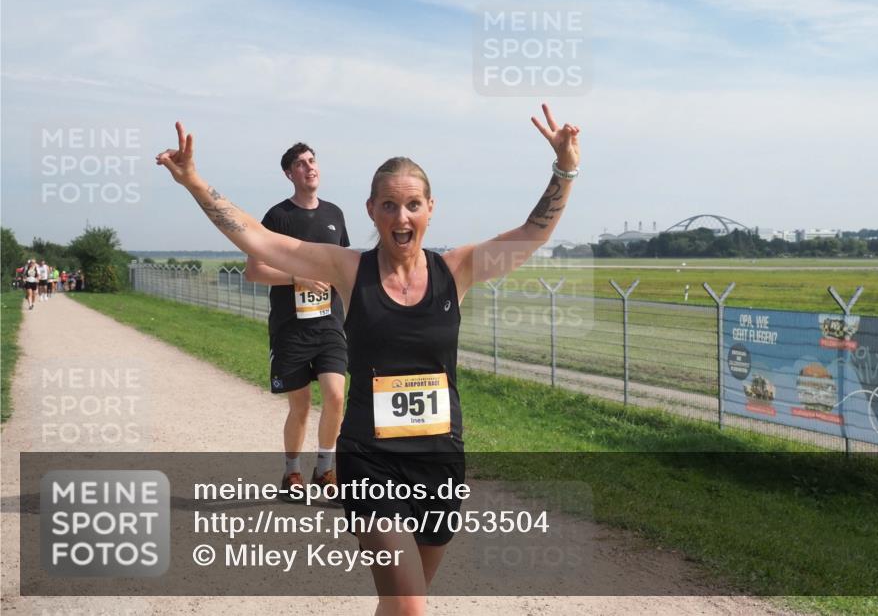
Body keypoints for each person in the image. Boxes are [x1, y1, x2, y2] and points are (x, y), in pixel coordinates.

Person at [157, 104, 579, 616]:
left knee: (402, 604)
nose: (401, 218)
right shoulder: (348, 269)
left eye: (413, 205)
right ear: (371, 210)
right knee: (410, 606)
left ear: (430, 208)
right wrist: (194, 181)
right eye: (389, 206)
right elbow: (259, 239)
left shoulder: (457, 270)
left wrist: (564, 168)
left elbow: (533, 233)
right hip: (371, 458)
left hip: (440, 457)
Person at [244, 142, 351, 498]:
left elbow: (342, 268)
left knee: (335, 396)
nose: (309, 167)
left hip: (330, 325)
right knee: (301, 406)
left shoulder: (335, 214)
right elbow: (254, 271)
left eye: (312, 160)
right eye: (301, 164)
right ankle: (291, 472)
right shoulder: (277, 217)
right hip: (290, 328)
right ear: (289, 174)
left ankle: (325, 469)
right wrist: (296, 278)